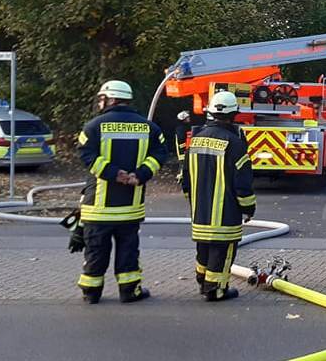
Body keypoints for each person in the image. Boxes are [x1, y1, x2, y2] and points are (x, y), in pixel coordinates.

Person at [76, 80, 170, 304]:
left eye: (102, 98)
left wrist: (112, 173)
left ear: (110, 99)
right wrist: (140, 174)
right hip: (130, 207)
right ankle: (129, 291)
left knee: (96, 252)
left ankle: (91, 292)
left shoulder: (93, 126)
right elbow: (160, 153)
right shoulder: (149, 128)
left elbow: (85, 154)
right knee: (128, 252)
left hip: (98, 209)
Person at [180, 91, 256, 302]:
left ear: (211, 112)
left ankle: (202, 279)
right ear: (234, 114)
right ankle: (216, 289)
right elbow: (242, 183)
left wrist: (192, 200)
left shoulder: (195, 139)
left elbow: (185, 176)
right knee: (222, 251)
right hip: (225, 212)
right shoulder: (235, 143)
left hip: (200, 211)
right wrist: (248, 208)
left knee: (203, 247)